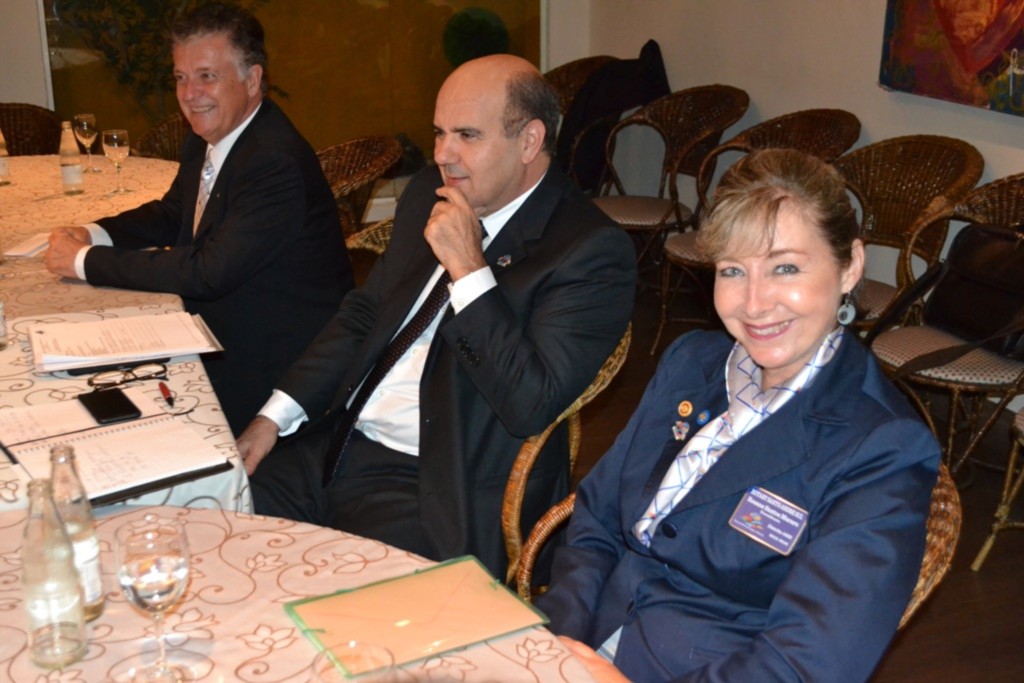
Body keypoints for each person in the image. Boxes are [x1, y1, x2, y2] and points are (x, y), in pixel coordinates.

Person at [535, 149, 941, 682]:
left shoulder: (882, 446)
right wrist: (552, 642)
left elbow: (805, 663)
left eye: (785, 267)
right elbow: (599, 519)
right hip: (579, 641)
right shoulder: (691, 362)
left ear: (851, 267)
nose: (754, 303)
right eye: (732, 270)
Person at [238, 53, 636, 577]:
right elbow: (365, 314)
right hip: (336, 444)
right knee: (216, 533)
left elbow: (529, 403)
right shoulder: (430, 192)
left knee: (332, 601)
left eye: (467, 135)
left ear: (529, 141)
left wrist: (470, 268)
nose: (444, 154)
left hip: (431, 486)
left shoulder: (588, 250)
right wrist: (273, 417)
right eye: (439, 133)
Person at [44, 2, 353, 436]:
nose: (190, 94)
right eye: (181, 78)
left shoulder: (273, 161)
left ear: (252, 80)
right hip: (220, 326)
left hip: (270, 365)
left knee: (116, 417)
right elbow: (173, 213)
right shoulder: (210, 136)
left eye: (207, 76)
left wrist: (82, 261)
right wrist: (93, 233)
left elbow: (208, 272)